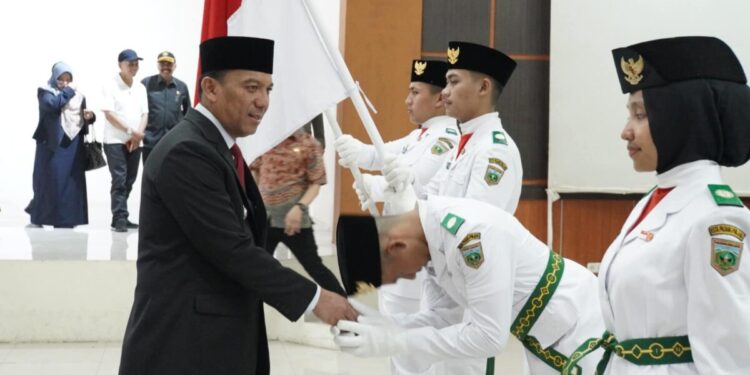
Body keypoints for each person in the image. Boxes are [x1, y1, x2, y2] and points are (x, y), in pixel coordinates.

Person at [118, 36, 357, 375]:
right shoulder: (187, 153)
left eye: (268, 90)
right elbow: (233, 250)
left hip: (213, 342)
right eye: (250, 87)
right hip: (184, 348)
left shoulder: (219, 147)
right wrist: (317, 299)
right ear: (210, 88)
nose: (262, 102)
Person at [562, 36, 750, 375]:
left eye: (640, 115)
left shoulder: (717, 218)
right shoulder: (656, 199)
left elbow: (729, 355)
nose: (625, 131)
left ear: (682, 119)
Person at [333, 192, 605, 374]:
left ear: (397, 246)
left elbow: (488, 337)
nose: (408, 277)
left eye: (396, 275)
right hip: (542, 336)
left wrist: (399, 341)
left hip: (580, 322)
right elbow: (443, 317)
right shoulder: (429, 241)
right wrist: (386, 328)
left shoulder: (471, 237)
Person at [335, 59, 459, 374]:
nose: (407, 100)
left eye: (415, 92)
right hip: (398, 250)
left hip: (418, 257)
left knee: (411, 341)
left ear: (439, 98)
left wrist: (375, 185)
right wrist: (357, 152)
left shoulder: (446, 138)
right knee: (396, 336)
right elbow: (384, 153)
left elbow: (411, 178)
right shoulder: (420, 136)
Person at [250, 125, 346, 296]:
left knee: (314, 266)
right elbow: (256, 171)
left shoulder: (308, 144)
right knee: (255, 268)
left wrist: (300, 208)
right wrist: (254, 202)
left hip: (295, 223)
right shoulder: (265, 141)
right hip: (266, 220)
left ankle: (344, 304)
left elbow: (316, 184)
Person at [27, 62, 95, 228]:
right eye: (61, 79)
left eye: (68, 79)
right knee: (50, 180)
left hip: (73, 144)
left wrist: (90, 117)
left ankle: (67, 219)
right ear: (54, 78)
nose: (65, 82)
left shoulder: (79, 96)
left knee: (71, 182)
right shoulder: (45, 92)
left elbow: (83, 118)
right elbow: (52, 105)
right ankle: (40, 215)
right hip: (52, 145)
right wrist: (69, 91)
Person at [101, 49, 148, 232]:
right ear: (120, 65)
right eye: (130, 64)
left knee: (130, 179)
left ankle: (120, 215)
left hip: (136, 141)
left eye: (136, 63)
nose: (134, 67)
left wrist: (138, 134)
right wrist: (130, 131)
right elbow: (109, 114)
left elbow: (145, 113)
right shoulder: (110, 85)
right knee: (119, 179)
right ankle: (120, 217)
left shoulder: (141, 88)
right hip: (115, 141)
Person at [140, 51, 191, 164]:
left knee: (172, 178)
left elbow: (188, 114)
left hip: (174, 142)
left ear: (175, 66)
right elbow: (137, 111)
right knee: (150, 178)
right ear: (158, 65)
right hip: (151, 142)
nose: (165, 67)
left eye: (169, 64)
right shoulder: (146, 84)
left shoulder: (182, 87)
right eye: (162, 64)